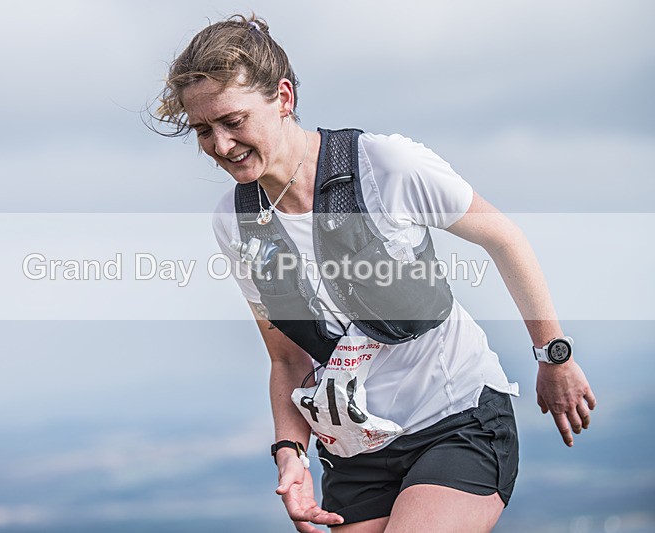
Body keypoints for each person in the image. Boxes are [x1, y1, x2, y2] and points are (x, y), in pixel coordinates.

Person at [155, 14, 596, 533]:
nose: (221, 146)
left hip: (456, 418)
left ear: (284, 97)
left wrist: (553, 354)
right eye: (203, 130)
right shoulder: (236, 223)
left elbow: (503, 238)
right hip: (356, 449)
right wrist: (290, 453)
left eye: (233, 121)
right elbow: (287, 358)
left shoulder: (386, 165)